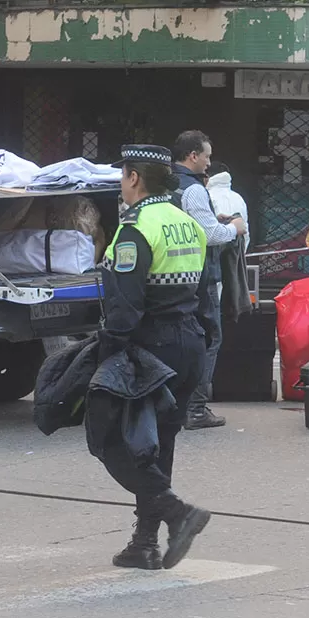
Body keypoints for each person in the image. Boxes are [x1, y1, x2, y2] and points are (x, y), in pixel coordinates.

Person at [101, 144, 212, 571]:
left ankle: (175, 512)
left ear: (133, 178)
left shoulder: (136, 228)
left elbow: (127, 306)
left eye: (122, 175)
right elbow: (202, 295)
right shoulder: (188, 224)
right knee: (158, 443)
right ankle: (145, 541)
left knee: (115, 440)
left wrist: (109, 352)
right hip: (189, 345)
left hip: (149, 348)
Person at [172, 131, 246, 430]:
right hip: (200, 277)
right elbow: (210, 235)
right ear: (193, 156)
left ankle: (175, 405)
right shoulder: (193, 189)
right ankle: (197, 409)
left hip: (170, 274)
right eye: (207, 156)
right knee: (209, 338)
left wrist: (216, 219)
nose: (208, 162)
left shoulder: (166, 185)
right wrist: (235, 229)